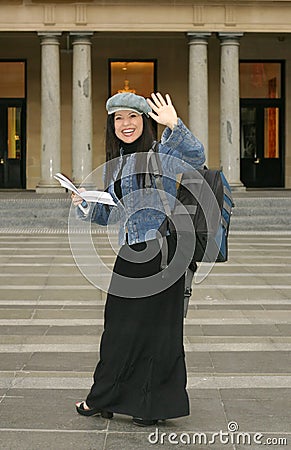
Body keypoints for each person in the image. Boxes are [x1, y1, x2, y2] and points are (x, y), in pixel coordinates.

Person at [72, 92, 205, 427]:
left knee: (159, 331)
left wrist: (174, 125)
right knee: (119, 327)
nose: (125, 124)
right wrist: (84, 203)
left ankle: (150, 406)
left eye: (132, 116)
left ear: (145, 121)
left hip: (163, 251)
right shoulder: (118, 162)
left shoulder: (162, 151)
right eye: (118, 118)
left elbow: (196, 156)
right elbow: (109, 214)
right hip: (132, 249)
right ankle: (107, 396)